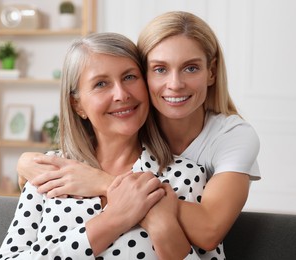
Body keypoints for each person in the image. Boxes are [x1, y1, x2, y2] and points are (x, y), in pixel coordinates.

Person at [16, 11, 261, 259]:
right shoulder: (55, 173)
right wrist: (25, 162)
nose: (174, 84)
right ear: (77, 104)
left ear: (211, 72)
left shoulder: (191, 172)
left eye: (129, 77)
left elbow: (209, 231)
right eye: (160, 69)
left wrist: (111, 186)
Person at [0, 32, 207, 259]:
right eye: (101, 84)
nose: (121, 94)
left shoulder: (185, 175)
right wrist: (112, 221)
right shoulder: (50, 171)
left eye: (129, 77)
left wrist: (163, 226)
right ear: (77, 105)